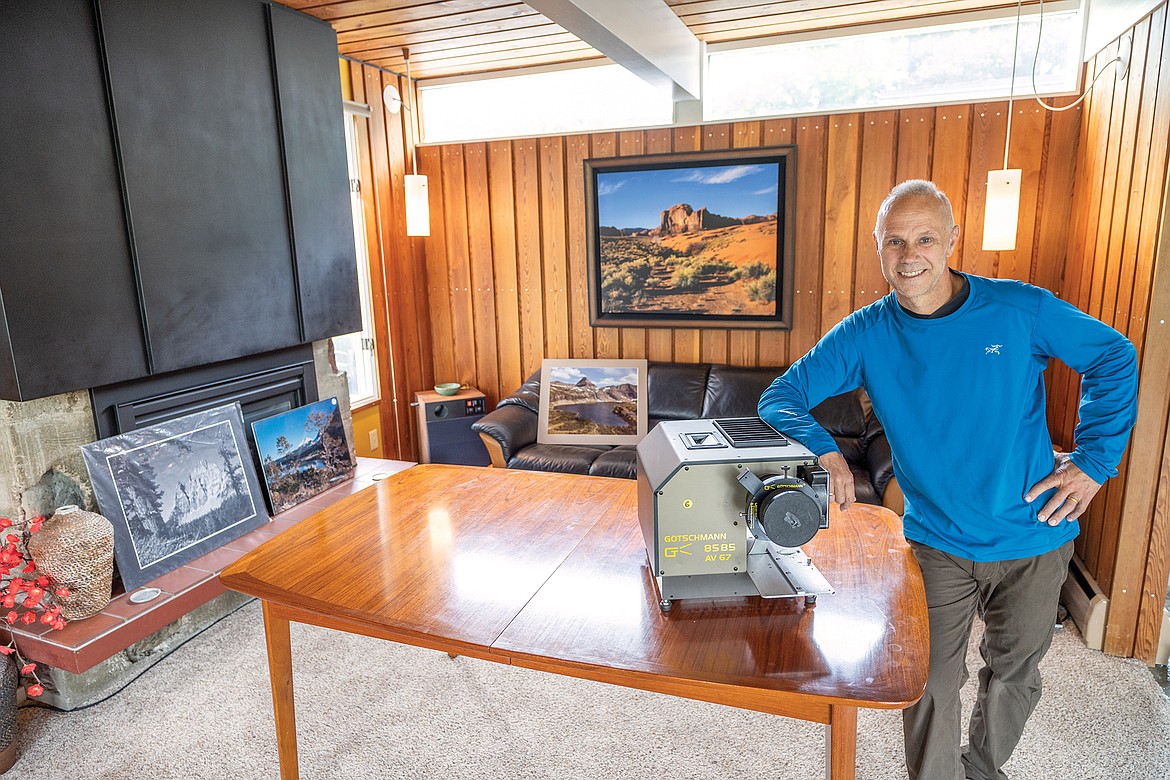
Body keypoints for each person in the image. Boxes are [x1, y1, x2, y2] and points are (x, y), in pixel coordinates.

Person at [758, 179, 1139, 780]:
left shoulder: (1020, 310)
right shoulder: (865, 332)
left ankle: (982, 770)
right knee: (930, 680)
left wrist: (1094, 462)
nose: (910, 256)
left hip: (1035, 536)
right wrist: (826, 452)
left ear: (953, 241)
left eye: (925, 239)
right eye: (894, 243)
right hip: (937, 541)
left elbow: (1114, 356)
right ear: (879, 251)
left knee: (1015, 675)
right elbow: (781, 397)